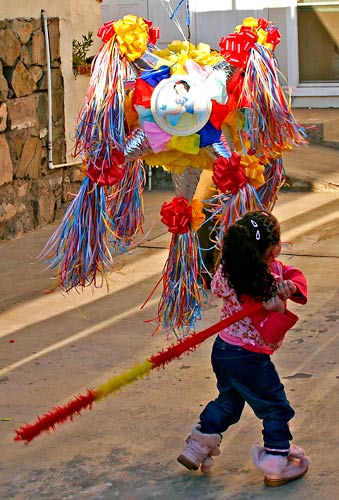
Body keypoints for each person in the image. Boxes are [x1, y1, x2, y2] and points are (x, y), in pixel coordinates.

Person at [177, 210, 311, 486]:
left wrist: (292, 286)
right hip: (249, 357)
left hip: (224, 350)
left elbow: (288, 271)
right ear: (272, 248)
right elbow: (269, 336)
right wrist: (277, 310)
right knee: (275, 407)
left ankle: (198, 446)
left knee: (228, 402)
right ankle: (276, 459)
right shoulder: (263, 288)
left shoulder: (231, 269)